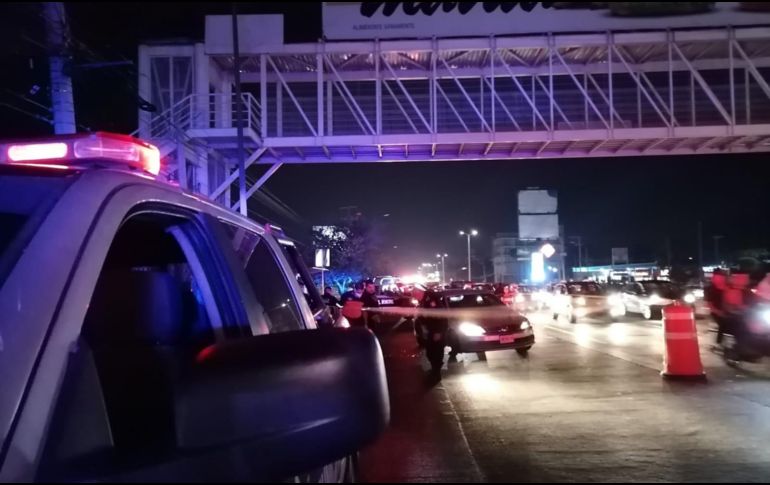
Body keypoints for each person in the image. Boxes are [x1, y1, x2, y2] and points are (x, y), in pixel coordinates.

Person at [705, 269, 728, 346]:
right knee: (723, 323)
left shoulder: (727, 287)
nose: (722, 279)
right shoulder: (711, 289)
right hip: (717, 311)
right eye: (720, 277)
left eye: (723, 277)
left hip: (728, 310)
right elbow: (709, 304)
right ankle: (719, 343)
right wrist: (718, 312)